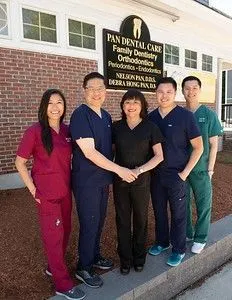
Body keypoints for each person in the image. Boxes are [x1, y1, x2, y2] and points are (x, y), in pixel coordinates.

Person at [15, 89, 85, 300]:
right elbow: (20, 162)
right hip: (46, 195)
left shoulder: (67, 130)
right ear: (44, 106)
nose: (55, 107)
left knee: (65, 231)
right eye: (51, 103)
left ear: (64, 107)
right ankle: (62, 284)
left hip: (65, 191)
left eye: (59, 103)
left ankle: (52, 267)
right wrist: (33, 190)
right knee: (53, 238)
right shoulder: (34, 132)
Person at [70, 72, 137, 288]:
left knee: (98, 221)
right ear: (84, 90)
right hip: (87, 181)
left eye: (101, 88)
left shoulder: (106, 116)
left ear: (105, 91)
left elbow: (113, 147)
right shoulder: (80, 115)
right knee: (89, 222)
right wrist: (119, 170)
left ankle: (94, 255)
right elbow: (89, 152)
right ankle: (84, 267)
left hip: (102, 180)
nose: (97, 92)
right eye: (92, 88)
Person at [148, 77, 203, 267]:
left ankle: (178, 249)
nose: (164, 96)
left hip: (177, 174)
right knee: (159, 210)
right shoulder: (151, 118)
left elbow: (198, 147)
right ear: (155, 93)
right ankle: (162, 242)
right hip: (156, 174)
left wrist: (185, 173)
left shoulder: (185, 116)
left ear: (175, 93)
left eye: (168, 92)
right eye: (160, 92)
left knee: (179, 213)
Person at [112, 89, 164, 275]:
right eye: (127, 102)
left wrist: (139, 170)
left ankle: (139, 258)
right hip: (120, 181)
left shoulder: (150, 128)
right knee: (123, 220)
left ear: (142, 106)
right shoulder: (116, 127)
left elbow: (159, 156)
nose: (131, 106)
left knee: (141, 220)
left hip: (142, 181)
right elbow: (110, 154)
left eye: (135, 102)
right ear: (122, 105)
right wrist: (118, 171)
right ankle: (125, 260)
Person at [182, 75, 224, 254]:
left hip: (201, 169)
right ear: (182, 91)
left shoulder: (208, 115)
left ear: (199, 90)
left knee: (203, 203)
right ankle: (187, 233)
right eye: (187, 88)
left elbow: (214, 144)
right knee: (182, 204)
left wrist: (210, 169)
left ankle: (200, 237)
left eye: (194, 88)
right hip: (182, 169)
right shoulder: (180, 115)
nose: (190, 92)